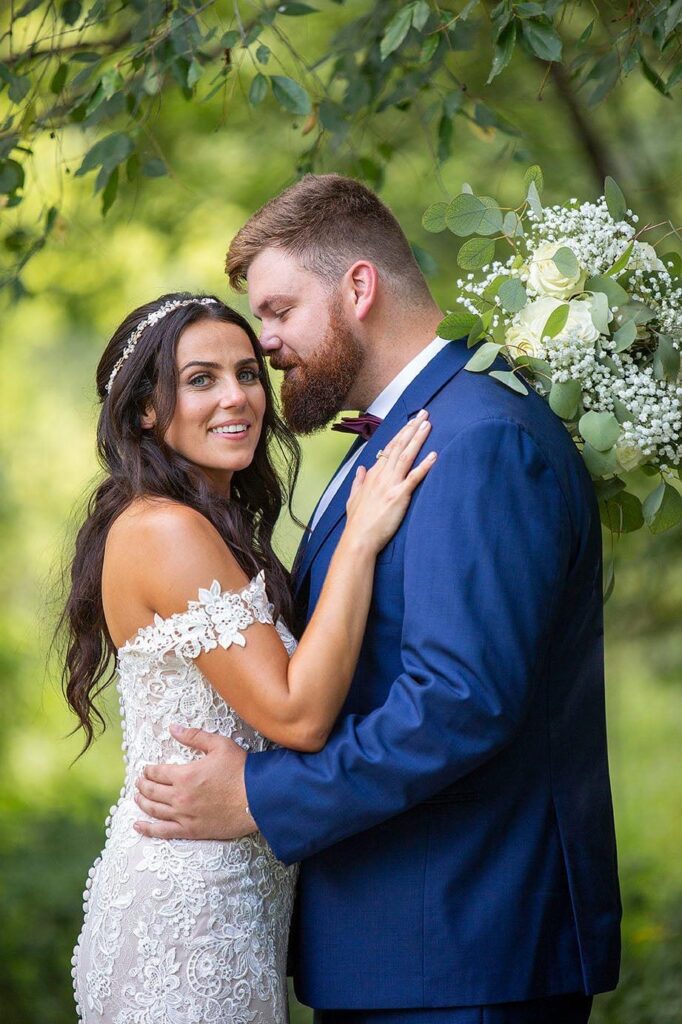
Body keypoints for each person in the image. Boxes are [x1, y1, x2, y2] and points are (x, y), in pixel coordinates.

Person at [135, 176, 622, 1024]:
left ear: (359, 287)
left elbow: (460, 703)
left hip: (464, 953)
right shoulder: (404, 436)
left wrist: (262, 795)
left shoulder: (478, 441)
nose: (269, 342)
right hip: (404, 948)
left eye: (281, 310)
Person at [62, 292, 436, 1023]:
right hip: (189, 912)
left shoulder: (211, 526)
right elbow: (295, 714)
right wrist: (360, 538)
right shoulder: (166, 530)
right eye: (201, 379)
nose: (237, 397)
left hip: (234, 902)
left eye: (247, 373)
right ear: (144, 409)